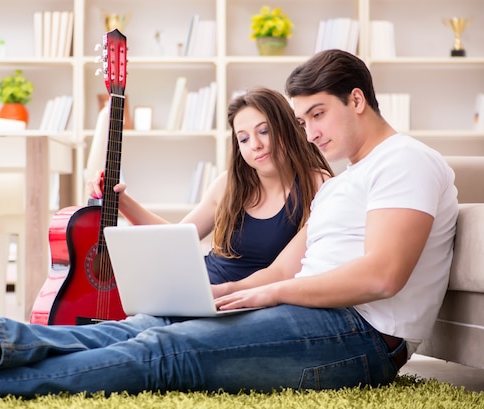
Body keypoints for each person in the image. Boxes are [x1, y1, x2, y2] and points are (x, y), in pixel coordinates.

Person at [0, 49, 458, 399]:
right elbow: (289, 264)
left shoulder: (406, 161)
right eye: (303, 120)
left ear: (356, 99)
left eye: (317, 114)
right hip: (310, 309)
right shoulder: (343, 181)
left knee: (171, 352)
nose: (310, 132)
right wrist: (232, 291)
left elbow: (384, 275)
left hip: (361, 336)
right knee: (145, 325)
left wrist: (273, 296)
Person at [87, 87, 332, 284]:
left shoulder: (317, 185)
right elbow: (175, 241)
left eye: (264, 131)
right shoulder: (229, 184)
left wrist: (221, 295)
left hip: (239, 302)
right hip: (200, 289)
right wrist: (123, 202)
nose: (255, 144)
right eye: (244, 139)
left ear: (288, 129)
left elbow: (283, 273)